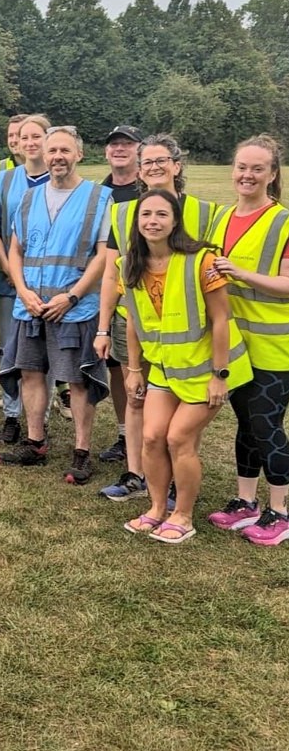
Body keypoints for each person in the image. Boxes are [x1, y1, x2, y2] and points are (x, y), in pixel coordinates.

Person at [120, 190, 251, 543]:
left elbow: (221, 319)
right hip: (166, 368)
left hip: (208, 370)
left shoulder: (201, 261)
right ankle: (157, 508)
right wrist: (134, 369)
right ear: (137, 221)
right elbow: (133, 319)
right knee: (151, 437)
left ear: (175, 221)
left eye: (162, 214)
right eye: (146, 214)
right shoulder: (129, 264)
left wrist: (219, 376)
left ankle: (183, 515)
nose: (153, 221)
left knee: (179, 438)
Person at [95, 134, 216, 502]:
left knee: (180, 403)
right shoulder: (122, 212)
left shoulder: (203, 212)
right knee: (136, 396)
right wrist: (102, 327)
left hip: (186, 330)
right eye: (147, 162)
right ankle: (136, 475)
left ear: (177, 166)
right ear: (139, 170)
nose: (154, 168)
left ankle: (177, 476)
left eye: (162, 160)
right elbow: (111, 274)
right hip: (134, 322)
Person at [0, 125, 112, 484]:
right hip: (30, 305)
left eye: (64, 150)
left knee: (77, 380)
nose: (57, 157)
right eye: (52, 151)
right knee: (30, 373)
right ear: (44, 157)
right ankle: (35, 442)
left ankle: (81, 452)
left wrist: (73, 294)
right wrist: (22, 289)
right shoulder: (29, 199)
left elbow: (104, 255)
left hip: (73, 307)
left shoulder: (98, 197)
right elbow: (15, 249)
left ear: (78, 154)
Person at [206, 135, 289, 546]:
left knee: (266, 426)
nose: (248, 175)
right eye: (242, 167)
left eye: (258, 168)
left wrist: (240, 272)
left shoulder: (283, 222)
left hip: (275, 349)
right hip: (235, 345)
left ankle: (280, 511)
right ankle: (245, 502)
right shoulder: (221, 217)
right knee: (245, 426)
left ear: (273, 175)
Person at [0, 115, 50, 444]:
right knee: (8, 348)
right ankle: (11, 415)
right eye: (24, 137)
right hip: (8, 282)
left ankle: (40, 418)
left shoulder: (58, 180)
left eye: (36, 136)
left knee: (43, 354)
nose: (29, 143)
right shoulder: (4, 180)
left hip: (47, 283)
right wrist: (12, 273)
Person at [94, 123, 146, 462]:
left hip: (145, 299)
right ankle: (125, 434)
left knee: (140, 370)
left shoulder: (150, 191)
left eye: (127, 143)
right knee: (116, 366)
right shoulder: (100, 193)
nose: (120, 149)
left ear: (139, 149)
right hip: (111, 293)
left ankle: (147, 441)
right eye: (115, 144)